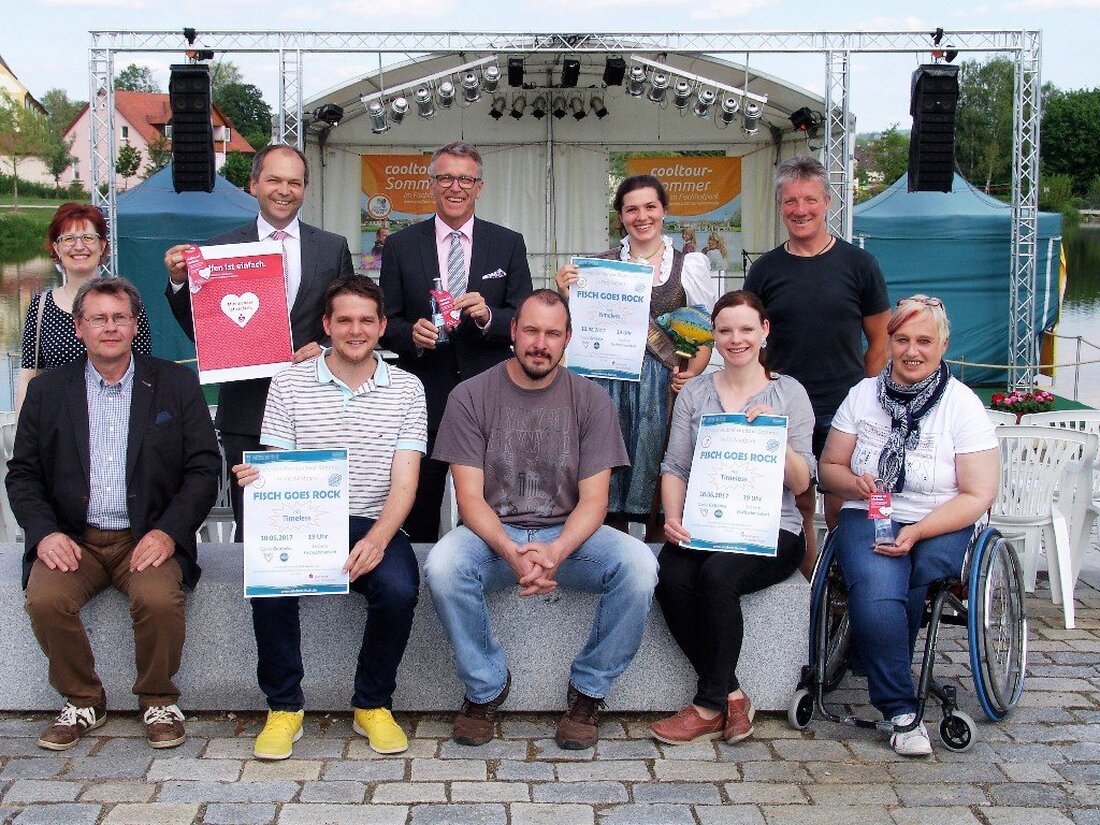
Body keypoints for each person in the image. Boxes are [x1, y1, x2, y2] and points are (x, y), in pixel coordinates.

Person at [424, 289, 658, 751]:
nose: (540, 343)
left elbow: (594, 501)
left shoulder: (591, 400)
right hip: (493, 535)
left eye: (552, 334)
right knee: (443, 566)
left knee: (640, 565)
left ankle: (589, 691)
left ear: (568, 338)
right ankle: (485, 687)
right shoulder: (470, 396)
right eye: (531, 330)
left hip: (569, 536)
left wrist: (556, 550)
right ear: (513, 331)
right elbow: (469, 499)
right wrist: (509, 550)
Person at [6, 277, 221, 752]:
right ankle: (84, 700)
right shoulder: (47, 391)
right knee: (45, 599)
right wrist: (44, 534)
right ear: (78, 327)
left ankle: (158, 700)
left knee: (158, 599)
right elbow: (22, 474)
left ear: (135, 324)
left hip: (145, 537)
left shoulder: (175, 382)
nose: (110, 327)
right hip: (73, 538)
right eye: (98, 318)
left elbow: (204, 469)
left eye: (120, 317)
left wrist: (168, 533)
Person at [231, 275, 426, 760]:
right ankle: (284, 707)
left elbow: (405, 483)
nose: (355, 330)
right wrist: (258, 477)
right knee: (269, 583)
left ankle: (372, 704)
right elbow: (278, 466)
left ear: (382, 326)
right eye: (344, 320)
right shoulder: (288, 382)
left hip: (372, 520)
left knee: (399, 589)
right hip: (304, 520)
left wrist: (378, 540)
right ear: (326, 325)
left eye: (366, 321)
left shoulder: (408, 388)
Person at [819, 295, 999, 756]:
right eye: (901, 340)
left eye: (924, 341)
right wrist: (855, 483)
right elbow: (829, 468)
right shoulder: (863, 395)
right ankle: (900, 709)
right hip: (872, 510)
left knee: (914, 576)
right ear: (889, 343)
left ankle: (875, 652)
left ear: (943, 345)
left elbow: (978, 494)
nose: (912, 351)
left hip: (942, 516)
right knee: (879, 588)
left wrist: (918, 531)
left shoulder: (962, 405)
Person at [163, 144, 355, 539]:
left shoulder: (332, 247)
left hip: (315, 408)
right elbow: (203, 331)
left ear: (304, 189)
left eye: (294, 182)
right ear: (253, 185)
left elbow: (348, 315)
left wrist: (326, 348)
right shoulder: (220, 250)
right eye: (274, 180)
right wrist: (179, 283)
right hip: (247, 412)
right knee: (253, 528)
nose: (284, 190)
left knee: (318, 525)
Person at [650, 290, 814, 745]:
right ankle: (734, 695)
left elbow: (802, 483)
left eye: (746, 329)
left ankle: (707, 706)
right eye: (724, 331)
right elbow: (674, 466)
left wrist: (777, 436)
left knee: (717, 577)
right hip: (708, 522)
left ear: (764, 331)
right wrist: (673, 517)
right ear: (714, 336)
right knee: (669, 575)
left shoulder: (789, 392)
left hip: (773, 529)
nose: (735, 339)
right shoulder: (696, 392)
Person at [744, 154, 890, 575]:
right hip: (787, 410)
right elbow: (751, 339)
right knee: (799, 506)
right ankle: (807, 595)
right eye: (791, 201)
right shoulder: (765, 270)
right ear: (780, 206)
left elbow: (881, 341)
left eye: (810, 200)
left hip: (844, 409)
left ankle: (848, 584)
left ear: (827, 202)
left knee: (847, 503)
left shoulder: (859, 264)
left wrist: (865, 396)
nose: (800, 210)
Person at [381, 141, 533, 543]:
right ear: (430, 183)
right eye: (446, 177)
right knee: (418, 511)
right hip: (423, 397)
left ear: (479, 187)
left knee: (487, 513)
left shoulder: (508, 243)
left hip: (489, 398)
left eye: (465, 179)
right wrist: (411, 334)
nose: (455, 187)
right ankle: (416, 576)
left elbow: (524, 320)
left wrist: (489, 318)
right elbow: (385, 322)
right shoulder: (400, 245)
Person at [555, 175, 715, 532]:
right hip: (605, 384)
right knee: (605, 474)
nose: (642, 216)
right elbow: (577, 326)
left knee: (659, 479)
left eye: (650, 207)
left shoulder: (689, 265)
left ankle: (659, 554)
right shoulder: (596, 266)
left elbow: (704, 335)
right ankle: (610, 551)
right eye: (632, 209)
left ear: (664, 210)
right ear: (621, 216)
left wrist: (692, 374)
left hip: (661, 390)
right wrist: (567, 293)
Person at [16, 203, 152, 414]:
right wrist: (22, 429)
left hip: (116, 419)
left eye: (88, 238)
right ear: (56, 248)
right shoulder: (40, 306)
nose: (79, 246)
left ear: (102, 246)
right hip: (56, 423)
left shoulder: (128, 303)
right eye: (69, 239)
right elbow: (28, 377)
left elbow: (145, 373)